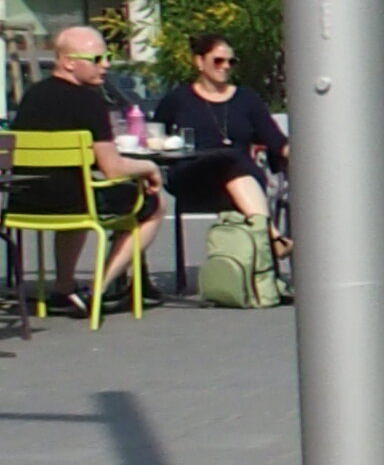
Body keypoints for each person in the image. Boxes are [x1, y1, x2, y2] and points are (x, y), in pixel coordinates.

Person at [9, 26, 162, 316]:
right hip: (74, 203)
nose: (105, 65)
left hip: (24, 200)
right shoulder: (90, 101)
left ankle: (63, 288)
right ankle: (98, 288)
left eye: (107, 57)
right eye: (97, 58)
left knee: (77, 191)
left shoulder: (32, 96)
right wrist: (149, 166)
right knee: (152, 204)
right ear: (68, 62)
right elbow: (113, 168)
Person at [153, 28, 288, 248]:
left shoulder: (247, 99)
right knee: (230, 159)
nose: (225, 67)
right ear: (199, 61)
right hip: (195, 179)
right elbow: (155, 135)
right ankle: (271, 237)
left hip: (241, 176)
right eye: (218, 61)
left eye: (230, 62)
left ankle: (268, 237)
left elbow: (274, 139)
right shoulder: (178, 100)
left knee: (232, 160)